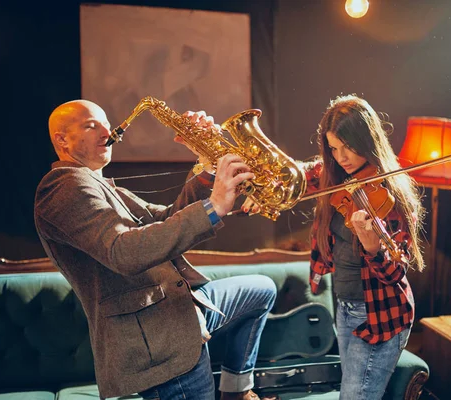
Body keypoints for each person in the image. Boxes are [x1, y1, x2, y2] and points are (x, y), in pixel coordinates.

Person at [34, 99, 278, 400]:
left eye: (105, 121)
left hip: (179, 310)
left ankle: (237, 392)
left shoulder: (103, 187)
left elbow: (166, 218)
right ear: (62, 139)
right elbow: (123, 251)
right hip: (158, 340)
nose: (106, 130)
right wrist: (215, 206)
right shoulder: (62, 187)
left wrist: (208, 167)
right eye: (90, 125)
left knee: (261, 289)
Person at [244, 94, 426, 399]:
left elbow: (396, 272)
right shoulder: (333, 176)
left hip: (379, 313)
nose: (341, 157)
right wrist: (262, 191)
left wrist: (373, 249)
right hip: (346, 308)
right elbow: (293, 178)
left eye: (348, 147)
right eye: (333, 148)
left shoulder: (393, 194)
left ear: (367, 140)